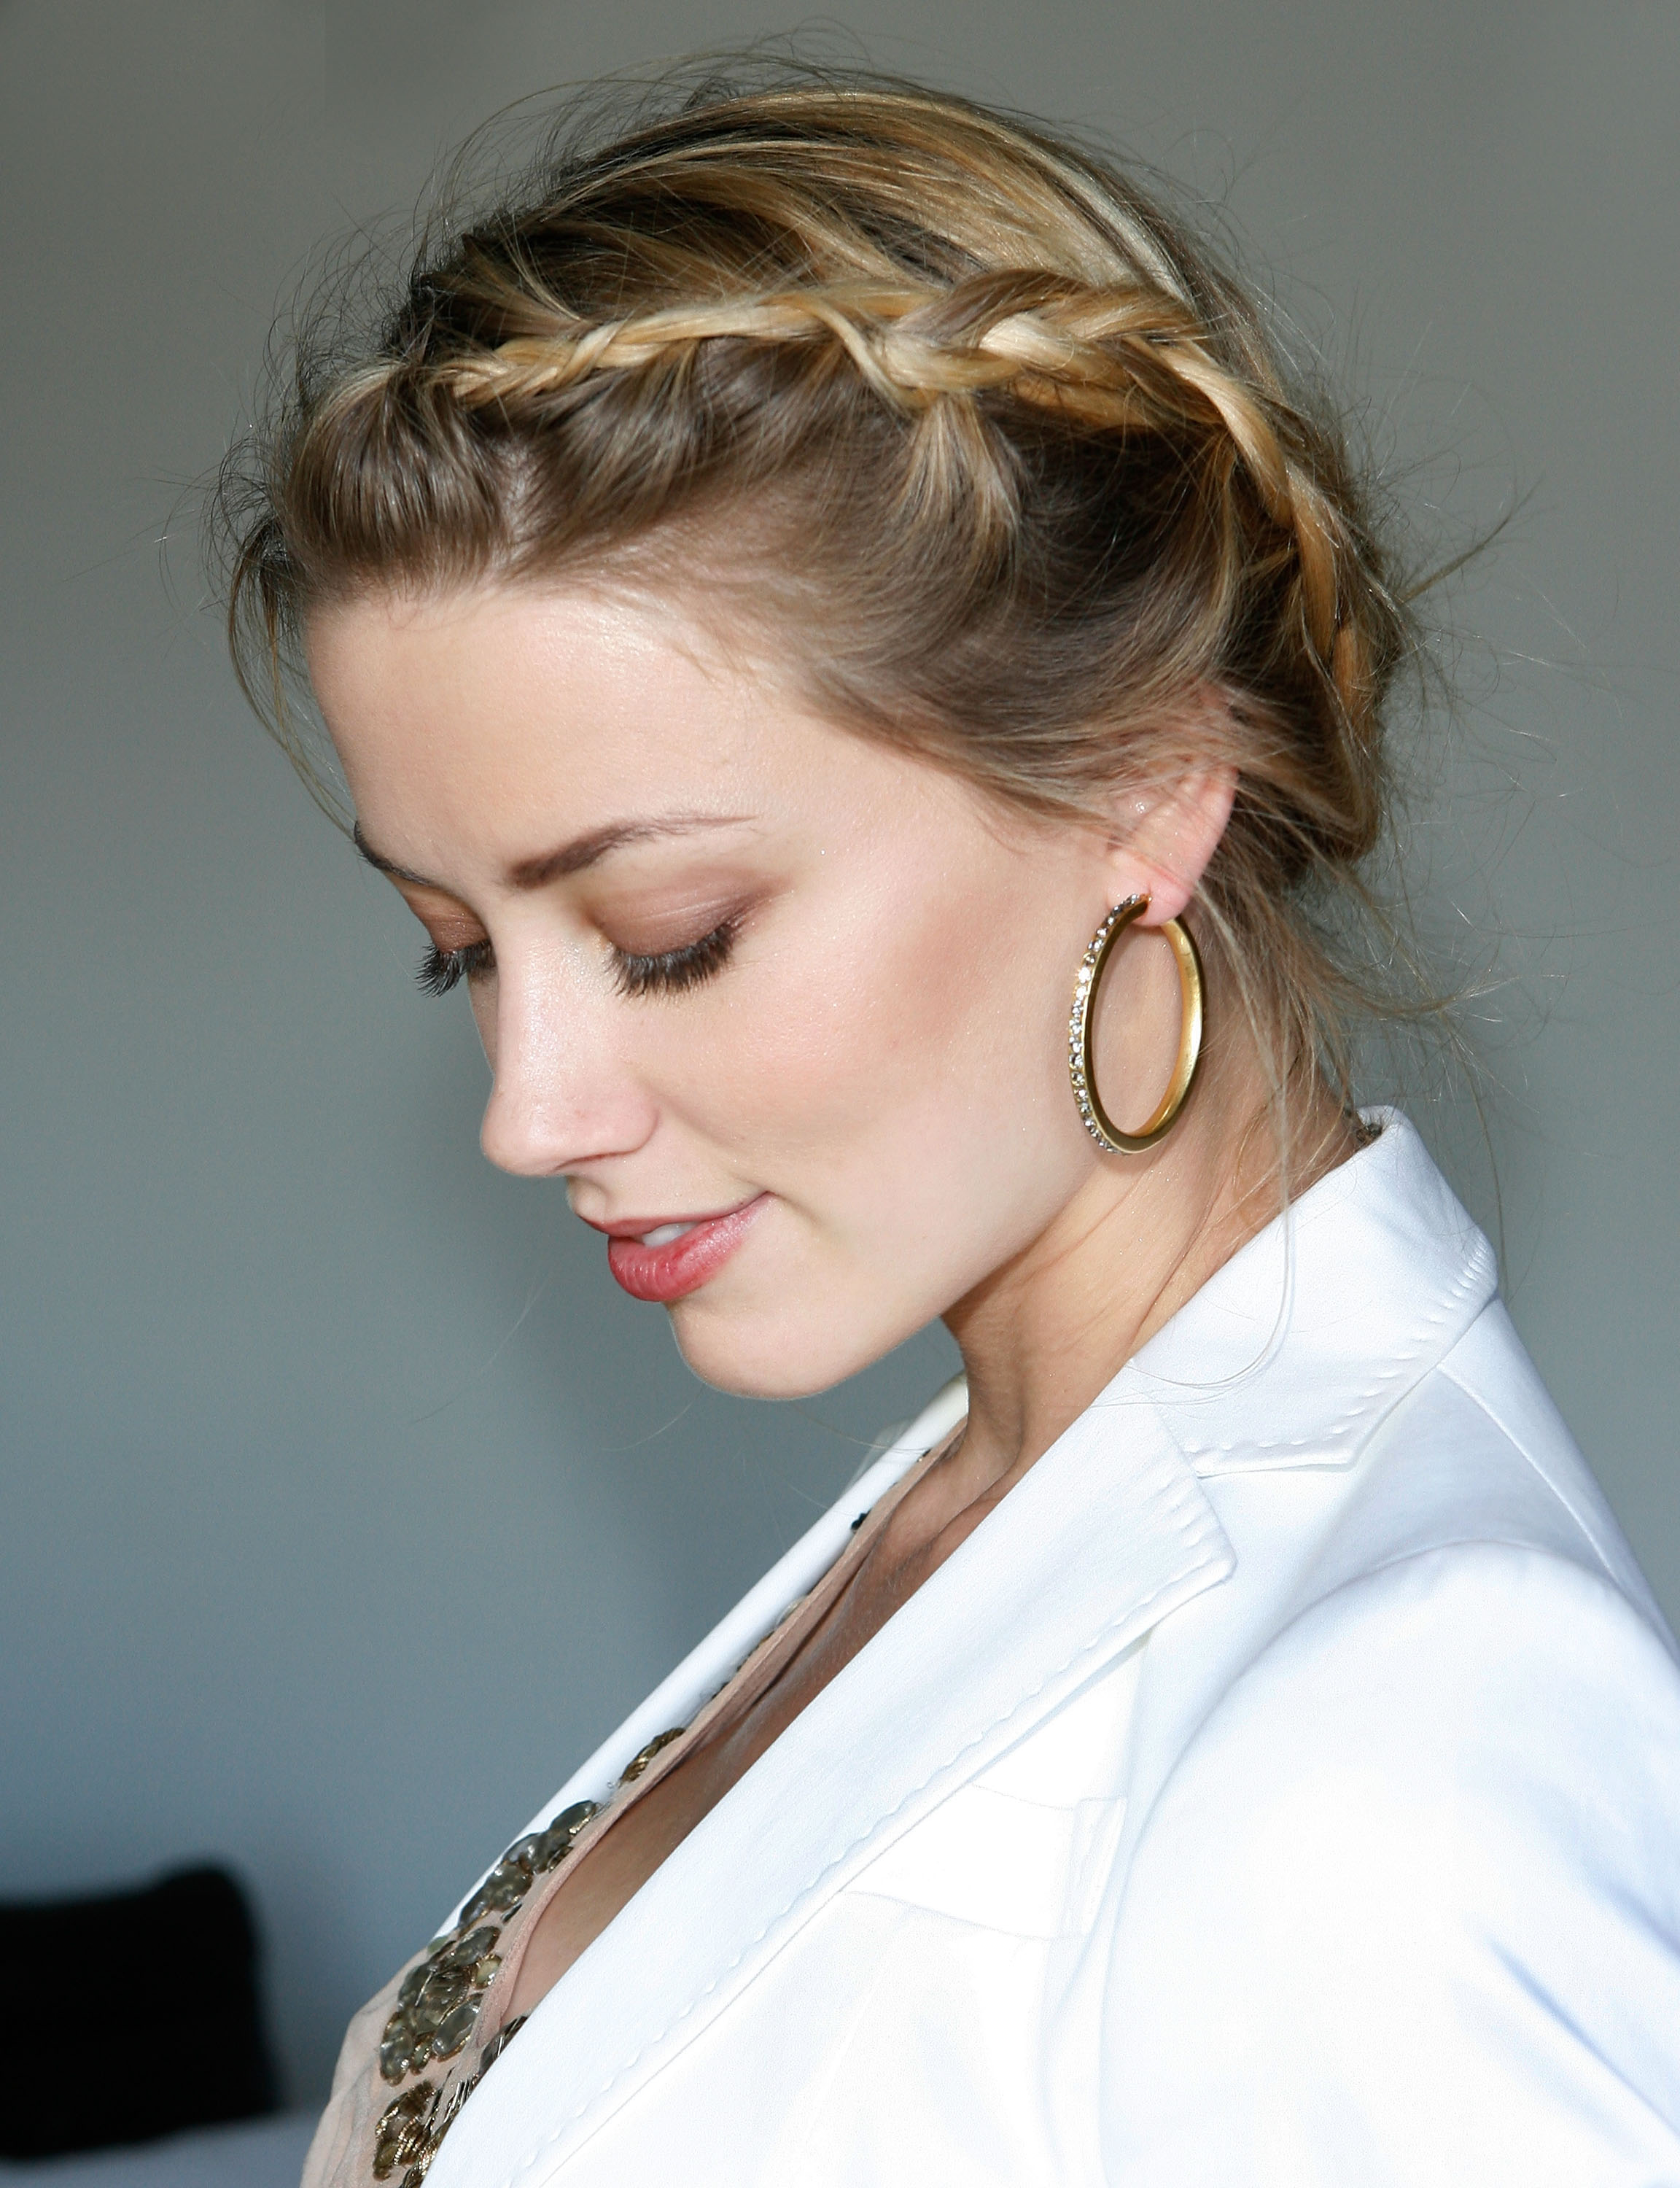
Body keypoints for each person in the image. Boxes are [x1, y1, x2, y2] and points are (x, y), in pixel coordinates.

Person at [214, 63, 1680, 2187]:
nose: (529, 1115)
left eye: (669, 937)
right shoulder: (985, 1499)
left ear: (1143, 787)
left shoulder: (1401, 1740)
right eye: (460, 952)